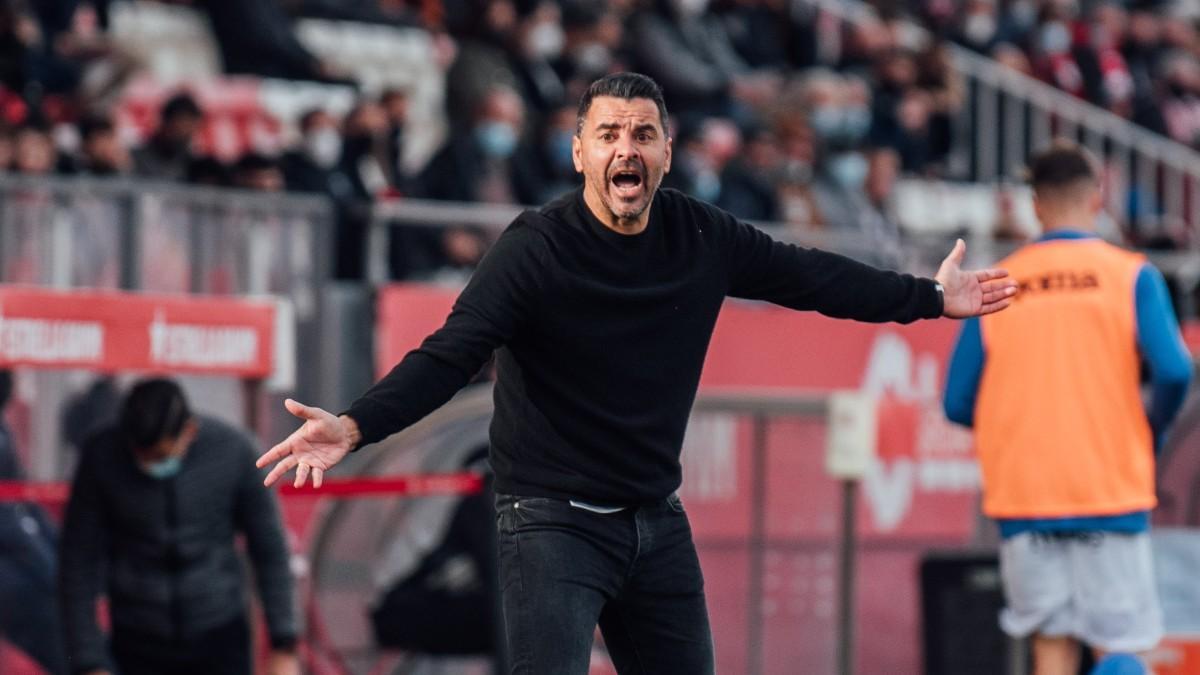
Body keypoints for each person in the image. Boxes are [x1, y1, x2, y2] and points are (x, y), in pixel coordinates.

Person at [258, 72, 1016, 674]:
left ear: (666, 152)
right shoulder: (536, 248)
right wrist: (355, 425)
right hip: (548, 519)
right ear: (581, 151)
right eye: (610, 134)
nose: (628, 149)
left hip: (654, 518)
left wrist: (929, 298)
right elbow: (449, 354)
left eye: (644, 135)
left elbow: (812, 277)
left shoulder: (700, 233)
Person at [943, 141, 1193, 675]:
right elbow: (1174, 370)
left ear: (1035, 204)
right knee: (1120, 648)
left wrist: (1014, 427)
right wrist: (1150, 430)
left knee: (1051, 648)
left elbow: (957, 402)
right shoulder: (1129, 273)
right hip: (1109, 487)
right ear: (1097, 196)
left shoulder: (997, 282)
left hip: (1026, 494)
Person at [59, 377, 299, 675]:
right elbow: (77, 561)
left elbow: (270, 549)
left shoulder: (234, 451)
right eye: (141, 458)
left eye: (161, 456)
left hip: (219, 633)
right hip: (137, 637)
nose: (151, 466)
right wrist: (88, 660)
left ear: (189, 431)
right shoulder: (102, 456)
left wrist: (284, 643)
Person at [0, 370, 67, 674]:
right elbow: (11, 518)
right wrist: (50, 567)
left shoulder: (4, 431)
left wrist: (57, 550)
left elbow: (22, 499)